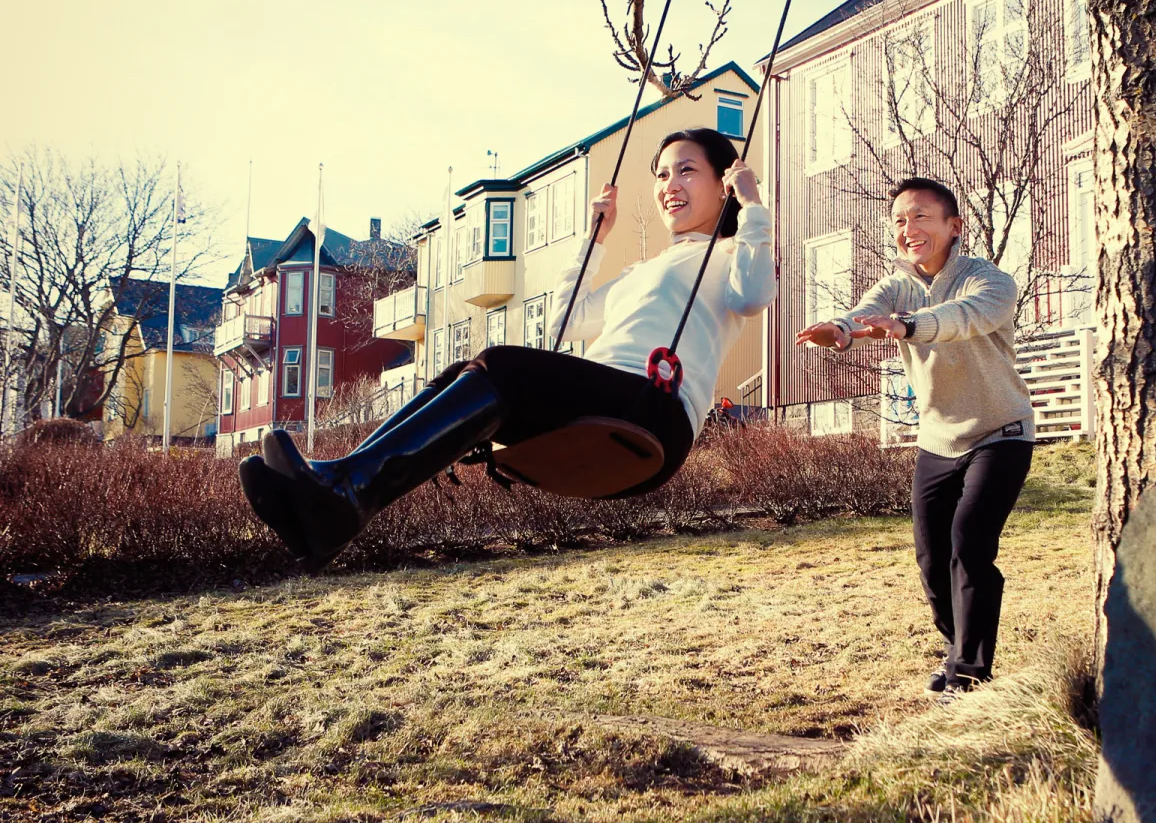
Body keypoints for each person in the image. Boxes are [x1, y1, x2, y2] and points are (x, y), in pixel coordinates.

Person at [240, 127, 774, 574]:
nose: (669, 185)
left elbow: (752, 297)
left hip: (655, 415)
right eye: (661, 174)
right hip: (606, 406)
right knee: (460, 372)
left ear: (723, 184)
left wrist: (752, 205)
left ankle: (350, 490)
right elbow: (566, 321)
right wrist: (594, 240)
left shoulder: (734, 252)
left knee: (501, 364)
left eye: (686, 171)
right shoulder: (644, 270)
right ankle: (337, 494)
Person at [795, 177, 1034, 701]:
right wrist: (840, 329)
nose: (909, 229)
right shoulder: (895, 285)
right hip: (937, 438)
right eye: (900, 220)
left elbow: (963, 317)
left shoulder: (989, 281)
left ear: (954, 226)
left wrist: (905, 326)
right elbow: (863, 313)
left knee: (969, 545)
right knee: (931, 559)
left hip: (1001, 432)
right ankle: (955, 650)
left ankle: (969, 674)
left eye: (921, 216)